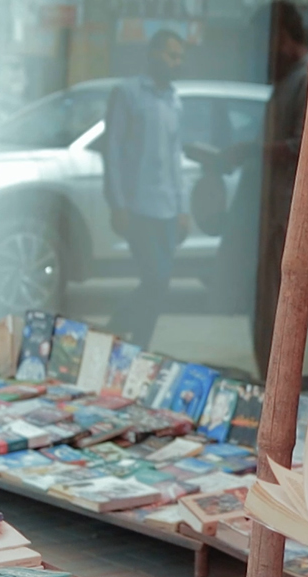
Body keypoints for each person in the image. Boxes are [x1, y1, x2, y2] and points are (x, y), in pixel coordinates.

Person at [212, 1, 308, 382]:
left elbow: (304, 147)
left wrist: (250, 151)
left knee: (277, 312)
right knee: (262, 311)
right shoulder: (285, 82)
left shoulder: (307, 79)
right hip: (265, 215)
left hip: (285, 218)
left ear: (283, 38)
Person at [102, 29, 191, 349]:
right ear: (154, 53)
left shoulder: (174, 100)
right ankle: (111, 334)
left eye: (180, 57)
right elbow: (111, 150)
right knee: (154, 279)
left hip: (168, 207)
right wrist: (118, 203)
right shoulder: (127, 93)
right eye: (171, 54)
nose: (176, 62)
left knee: (160, 284)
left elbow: (174, 158)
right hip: (138, 205)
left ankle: (138, 347)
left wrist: (183, 207)